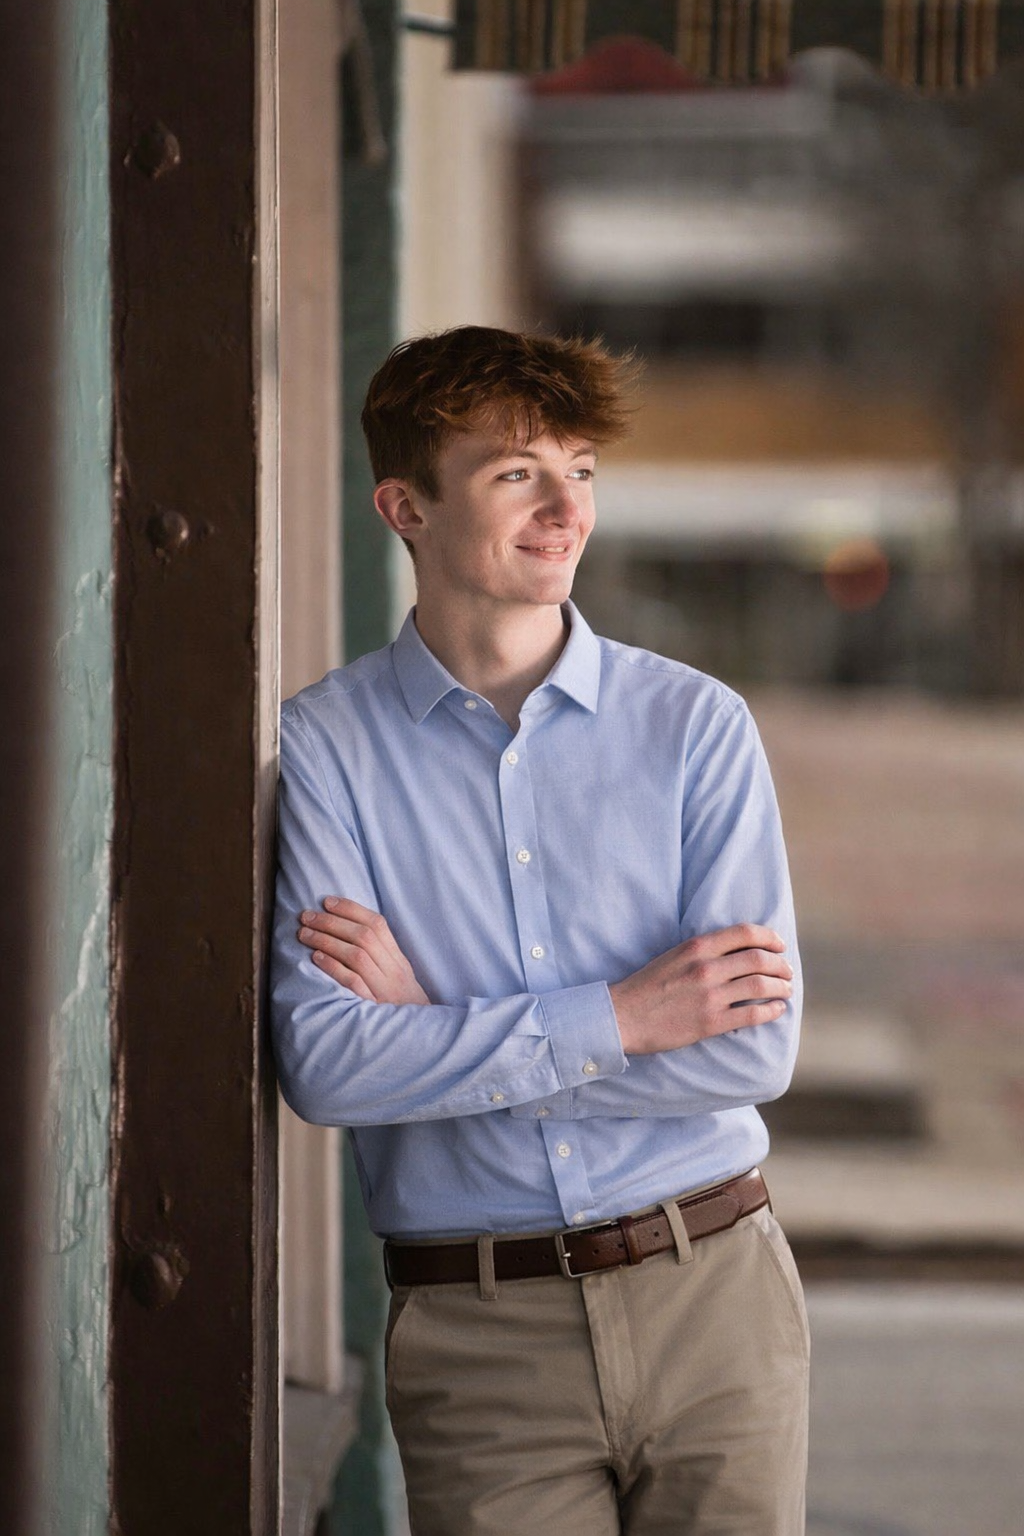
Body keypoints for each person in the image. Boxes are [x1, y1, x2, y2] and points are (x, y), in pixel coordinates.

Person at [270, 325, 809, 1535]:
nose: (567, 507)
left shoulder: (696, 729)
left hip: (712, 1292)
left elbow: (749, 1055)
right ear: (404, 504)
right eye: (517, 473)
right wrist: (623, 1019)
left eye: (582, 470)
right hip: (479, 1332)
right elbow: (328, 1065)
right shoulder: (328, 747)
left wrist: (441, 1038)